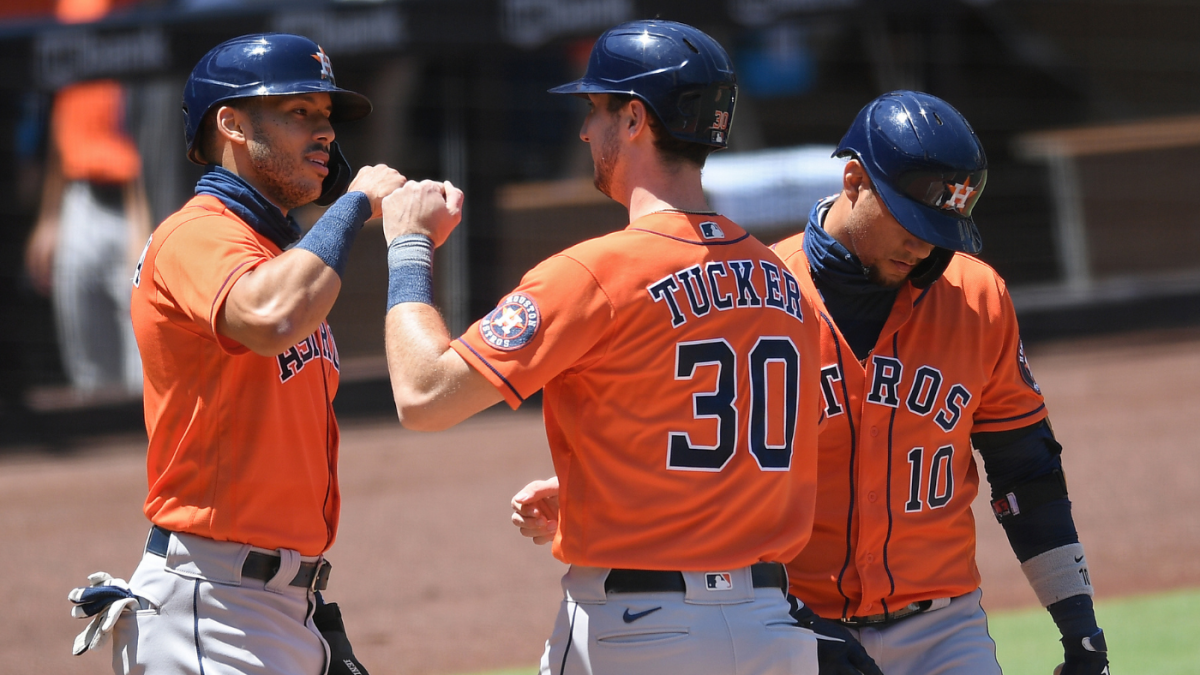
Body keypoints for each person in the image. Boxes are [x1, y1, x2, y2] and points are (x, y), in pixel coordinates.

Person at [513, 90, 1110, 675]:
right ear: (854, 180)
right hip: (792, 625)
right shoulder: (763, 293)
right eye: (911, 220)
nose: (926, 244)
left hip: (943, 630)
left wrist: (1078, 624)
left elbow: (1025, 471)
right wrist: (587, 487)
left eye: (943, 229)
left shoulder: (978, 299)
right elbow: (693, 446)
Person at [381, 20, 823, 675]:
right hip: (773, 632)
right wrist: (603, 483)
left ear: (636, 118)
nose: (587, 130)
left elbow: (424, 394)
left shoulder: (595, 272)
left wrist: (409, 245)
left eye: (596, 109)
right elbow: (740, 448)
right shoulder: (784, 284)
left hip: (639, 634)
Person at [65, 33, 404, 675]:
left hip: (278, 606)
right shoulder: (197, 234)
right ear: (233, 124)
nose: (324, 131)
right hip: (210, 605)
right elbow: (270, 316)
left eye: (326, 115)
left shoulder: (277, 254)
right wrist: (356, 203)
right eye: (299, 111)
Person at [25, 0, 150, 396]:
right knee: (89, 378)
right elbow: (64, 115)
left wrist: (143, 225)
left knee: (144, 376)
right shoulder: (70, 9)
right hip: (80, 200)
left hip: (139, 208)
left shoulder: (148, 10)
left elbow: (152, 128)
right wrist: (50, 216)